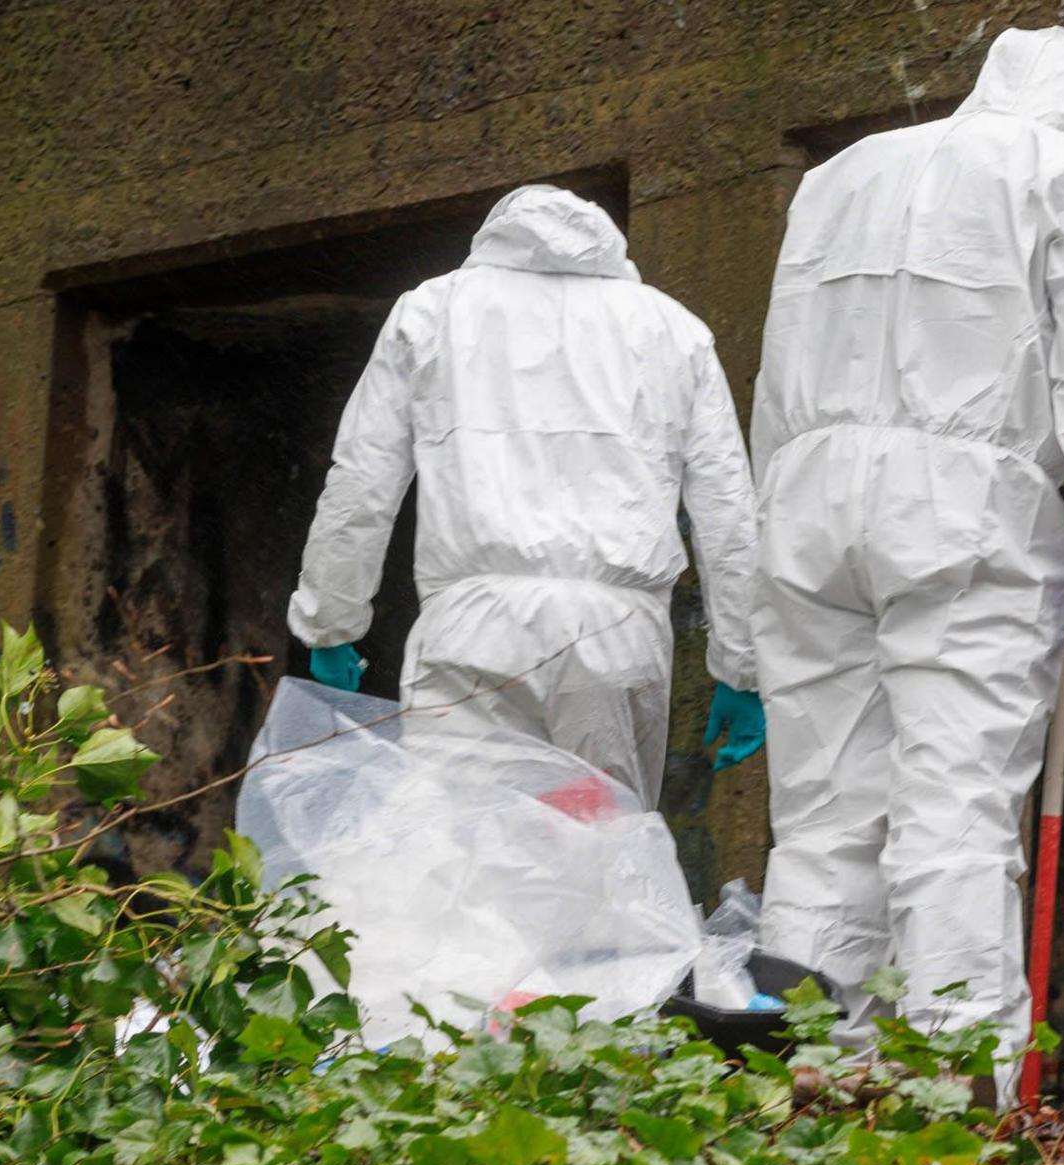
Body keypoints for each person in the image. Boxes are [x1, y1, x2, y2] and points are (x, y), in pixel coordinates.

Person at [752, 26, 1064, 1052]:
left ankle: (809, 1083)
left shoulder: (843, 174)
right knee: (955, 803)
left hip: (807, 502)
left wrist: (773, 515)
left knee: (822, 816)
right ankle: (957, 1093)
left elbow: (778, 357)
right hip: (961, 508)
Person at [288, 184, 766, 803]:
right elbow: (727, 509)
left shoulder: (432, 311)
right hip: (614, 637)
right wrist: (742, 666)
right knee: (602, 861)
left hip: (470, 634)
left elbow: (362, 476)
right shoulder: (673, 330)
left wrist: (331, 621)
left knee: (462, 865)